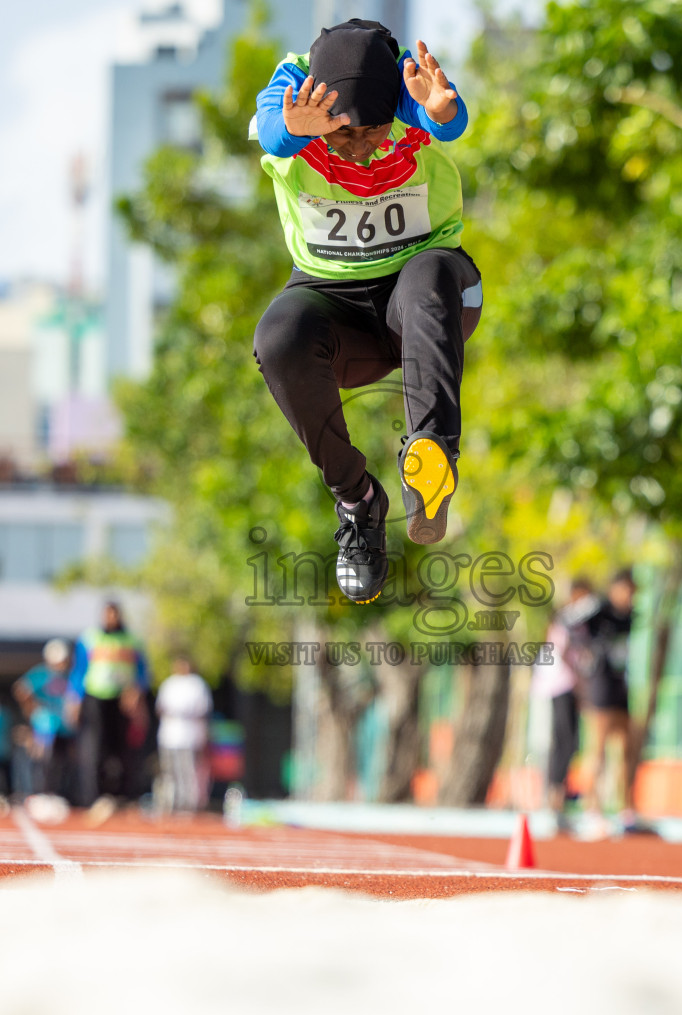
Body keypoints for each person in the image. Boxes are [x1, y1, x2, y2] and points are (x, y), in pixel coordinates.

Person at [251, 19, 481, 603]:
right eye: (343, 135)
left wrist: (444, 111)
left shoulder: (405, 86)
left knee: (427, 273)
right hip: (335, 307)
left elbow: (444, 119)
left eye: (374, 130)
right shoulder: (293, 92)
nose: (360, 148)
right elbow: (274, 135)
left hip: (431, 301)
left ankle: (430, 462)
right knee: (278, 335)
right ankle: (360, 503)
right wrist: (296, 128)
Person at [571, 569, 639, 839]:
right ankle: (592, 809)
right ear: (615, 589)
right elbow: (569, 622)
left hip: (621, 690)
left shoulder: (630, 616)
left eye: (634, 593)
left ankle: (626, 811)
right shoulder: (598, 609)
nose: (630, 597)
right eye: (627, 591)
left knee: (625, 751)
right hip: (599, 690)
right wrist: (586, 653)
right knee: (596, 752)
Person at [69, 601, 151, 821]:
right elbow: (79, 670)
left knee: (124, 751)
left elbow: (142, 671)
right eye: (107, 614)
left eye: (114, 614)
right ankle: (94, 799)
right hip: (96, 697)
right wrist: (74, 700)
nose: (111, 618)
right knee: (94, 749)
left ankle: (123, 798)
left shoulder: (132, 640)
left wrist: (137, 693)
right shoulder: (89, 638)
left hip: (123, 700)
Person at [532, 579, 596, 833]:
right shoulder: (567, 620)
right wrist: (579, 682)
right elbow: (562, 653)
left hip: (567, 687)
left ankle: (560, 797)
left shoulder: (578, 623)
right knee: (563, 742)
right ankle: (553, 801)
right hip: (559, 687)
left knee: (570, 744)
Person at [14, 639, 78, 801]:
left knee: (62, 762)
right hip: (45, 727)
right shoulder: (41, 674)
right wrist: (32, 709)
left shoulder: (70, 675)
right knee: (43, 760)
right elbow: (21, 689)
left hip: (64, 727)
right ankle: (40, 793)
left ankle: (58, 793)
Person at [154, 656, 214, 815]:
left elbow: (203, 710)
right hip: (169, 735)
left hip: (189, 736)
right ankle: (171, 803)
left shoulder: (197, 684)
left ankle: (189, 803)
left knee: (188, 771)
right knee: (169, 771)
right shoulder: (169, 683)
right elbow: (160, 708)